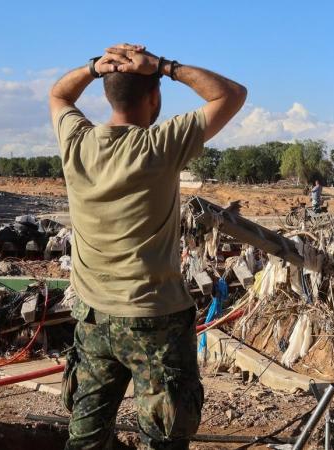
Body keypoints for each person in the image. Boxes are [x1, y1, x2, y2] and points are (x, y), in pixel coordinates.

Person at [50, 43, 246, 449]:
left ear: (106, 93)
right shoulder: (160, 145)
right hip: (154, 321)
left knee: (85, 437)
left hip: (93, 319)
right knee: (164, 439)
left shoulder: (77, 142)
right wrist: (164, 65)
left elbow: (58, 95)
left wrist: (93, 67)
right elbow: (231, 94)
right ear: (154, 97)